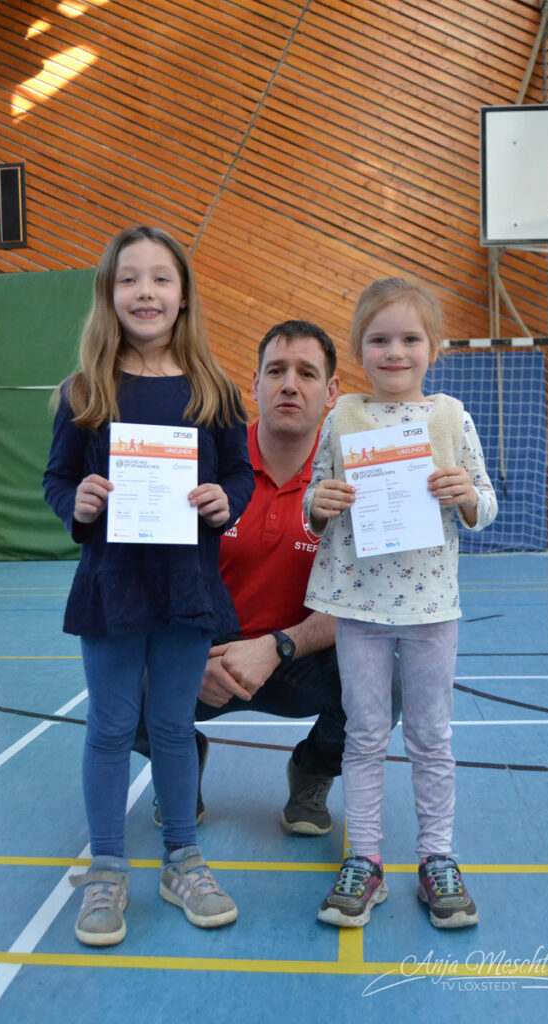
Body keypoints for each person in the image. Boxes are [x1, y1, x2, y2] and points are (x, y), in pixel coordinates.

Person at [43, 225, 254, 946]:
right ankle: (106, 866)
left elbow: (239, 474)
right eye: (129, 278)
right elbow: (57, 479)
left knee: (171, 726)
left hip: (186, 584)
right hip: (112, 583)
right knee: (109, 727)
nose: (145, 291)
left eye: (161, 278)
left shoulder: (215, 391)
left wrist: (227, 502)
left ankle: (182, 860)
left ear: (183, 295)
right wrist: (77, 503)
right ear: (109, 294)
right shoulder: (84, 390)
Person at [134, 320, 402, 835]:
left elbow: (362, 601)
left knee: (386, 683)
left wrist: (277, 646)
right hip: (205, 654)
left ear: (332, 391)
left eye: (307, 373)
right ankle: (179, 759)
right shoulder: (201, 461)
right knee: (119, 687)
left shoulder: (359, 476)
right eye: (276, 371)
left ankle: (312, 770)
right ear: (255, 382)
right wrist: (191, 655)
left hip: (298, 656)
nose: (289, 385)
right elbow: (156, 579)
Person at [304, 278, 497, 930]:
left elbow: (485, 507)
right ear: (360, 347)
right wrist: (320, 504)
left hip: (430, 611)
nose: (394, 352)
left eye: (409, 338)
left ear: (433, 347)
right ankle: (364, 860)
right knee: (363, 736)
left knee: (430, 739)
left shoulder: (450, 417)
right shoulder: (342, 418)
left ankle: (437, 858)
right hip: (359, 609)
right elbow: (313, 504)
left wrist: (464, 494)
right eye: (379, 339)